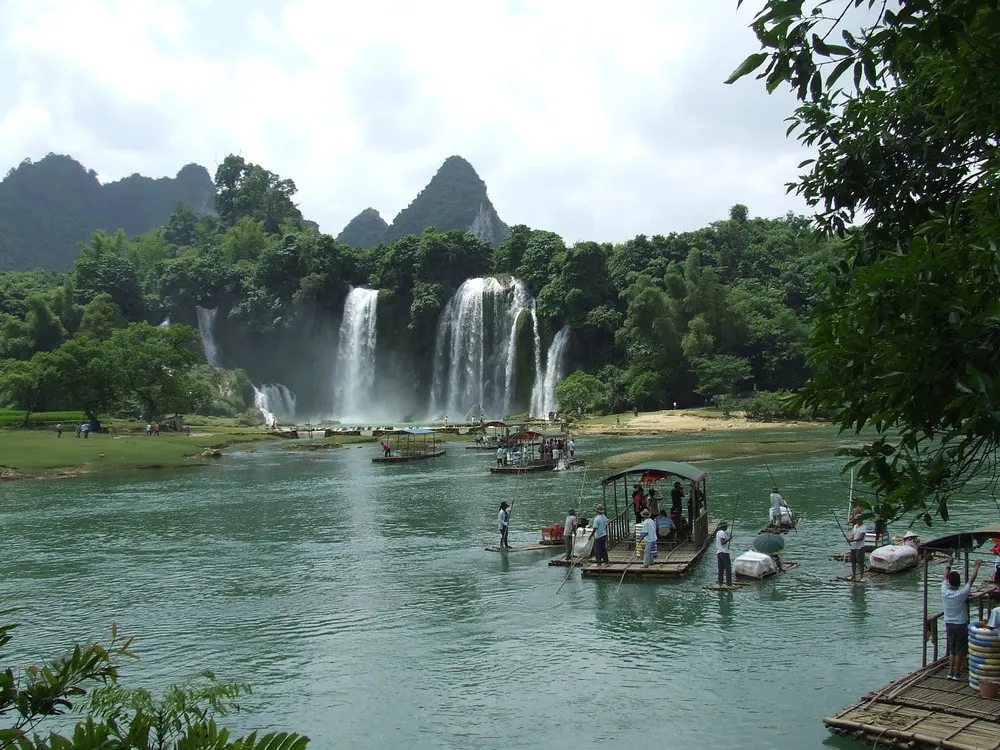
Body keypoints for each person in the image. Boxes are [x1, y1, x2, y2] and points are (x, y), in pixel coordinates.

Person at [942, 557, 981, 680]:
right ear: (958, 583)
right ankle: (957, 673)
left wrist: (949, 564)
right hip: (960, 624)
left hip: (949, 624)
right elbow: (971, 580)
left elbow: (945, 577)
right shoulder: (961, 593)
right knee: (960, 650)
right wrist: (976, 566)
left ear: (949, 582)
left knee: (952, 650)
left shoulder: (944, 590)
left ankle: (950, 672)